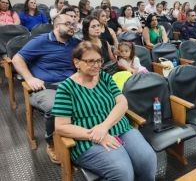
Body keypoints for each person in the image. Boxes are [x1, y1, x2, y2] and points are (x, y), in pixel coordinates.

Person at [52, 41, 156, 180]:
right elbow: (61, 127)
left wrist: (103, 127)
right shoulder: (66, 88)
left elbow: (122, 103)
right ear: (77, 62)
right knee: (122, 171)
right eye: (90, 61)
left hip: (120, 128)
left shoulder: (105, 77)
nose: (96, 65)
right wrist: (95, 134)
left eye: (99, 61)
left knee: (147, 159)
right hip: (87, 139)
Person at [12, 14, 80, 163]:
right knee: (56, 107)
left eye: (73, 24)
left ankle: (78, 137)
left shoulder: (75, 43)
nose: (72, 26)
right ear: (56, 26)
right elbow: (17, 59)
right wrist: (29, 78)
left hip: (71, 84)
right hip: (46, 87)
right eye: (68, 23)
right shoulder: (41, 41)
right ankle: (51, 142)